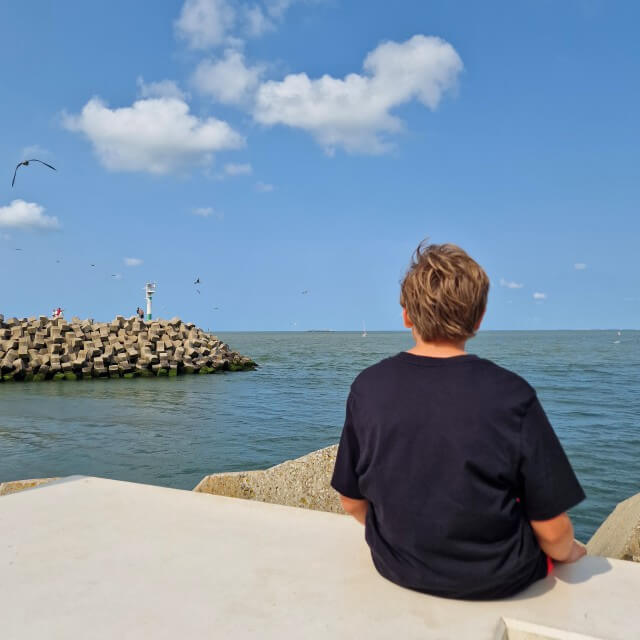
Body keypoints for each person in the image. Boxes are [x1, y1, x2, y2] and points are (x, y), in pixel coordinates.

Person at [331, 240, 586, 600]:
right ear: (479, 318)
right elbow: (553, 531)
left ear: (406, 315)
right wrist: (573, 553)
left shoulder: (367, 387)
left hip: (396, 566)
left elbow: (351, 500)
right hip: (499, 578)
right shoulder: (512, 395)